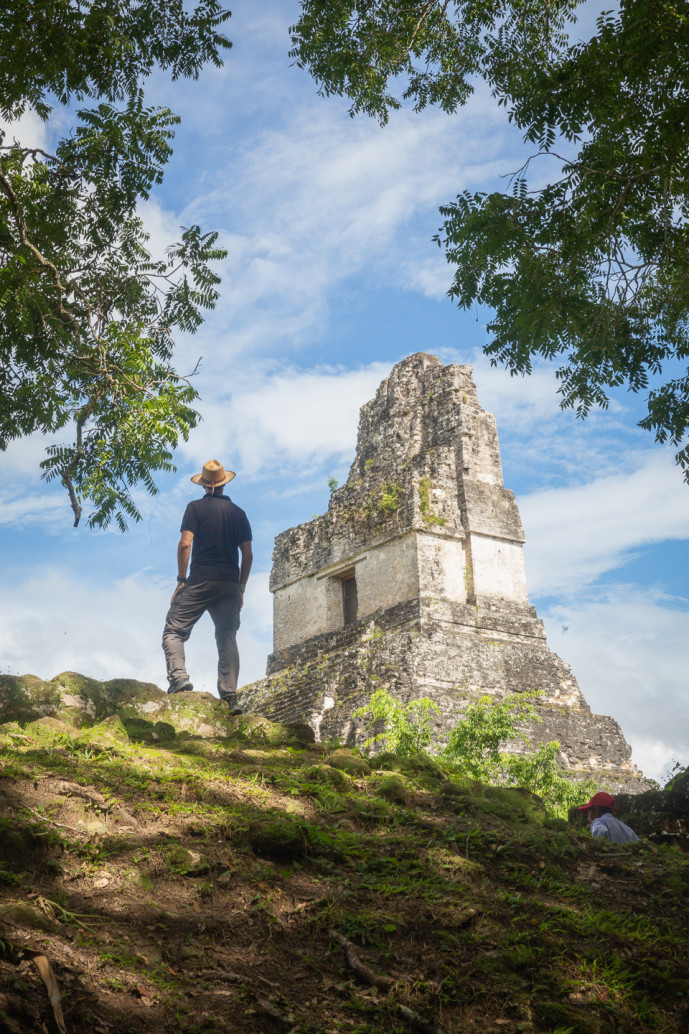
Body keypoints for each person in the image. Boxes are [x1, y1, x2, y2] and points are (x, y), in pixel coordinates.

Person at [162, 460, 252, 714]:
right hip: (228, 585)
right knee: (227, 637)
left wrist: (181, 580)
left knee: (174, 630)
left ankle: (179, 679)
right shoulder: (239, 514)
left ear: (203, 484)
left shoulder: (194, 508)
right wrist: (241, 588)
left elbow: (184, 545)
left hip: (200, 580)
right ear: (224, 484)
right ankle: (230, 697)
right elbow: (248, 554)